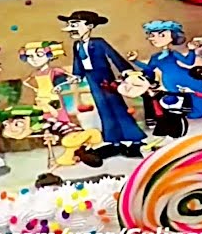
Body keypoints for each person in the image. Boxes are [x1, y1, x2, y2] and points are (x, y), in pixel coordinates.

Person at [58, 10, 146, 158]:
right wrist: (77, 76)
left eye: (75, 25)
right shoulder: (76, 45)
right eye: (70, 25)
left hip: (105, 78)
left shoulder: (98, 42)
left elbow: (114, 56)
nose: (71, 29)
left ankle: (135, 140)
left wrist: (126, 71)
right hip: (91, 79)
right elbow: (78, 63)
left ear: (89, 26)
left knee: (117, 108)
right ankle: (114, 142)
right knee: (104, 110)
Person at [127, 20, 202, 132]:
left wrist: (191, 50)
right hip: (171, 83)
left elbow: (189, 62)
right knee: (193, 104)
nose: (155, 38)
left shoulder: (173, 53)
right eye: (152, 35)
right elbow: (149, 69)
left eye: (162, 35)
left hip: (188, 79)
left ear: (173, 37)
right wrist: (135, 61)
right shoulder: (155, 57)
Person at [0, 106, 104, 171]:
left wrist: (52, 169)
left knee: (65, 140)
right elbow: (92, 133)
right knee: (67, 140)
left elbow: (62, 160)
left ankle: (17, 125)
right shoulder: (89, 140)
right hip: (59, 126)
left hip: (53, 127)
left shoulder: (72, 149)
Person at [113, 70, 192, 149]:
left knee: (177, 134)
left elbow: (183, 96)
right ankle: (160, 145)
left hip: (174, 116)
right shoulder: (147, 96)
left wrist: (185, 108)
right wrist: (150, 120)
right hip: (160, 118)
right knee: (160, 133)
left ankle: (177, 144)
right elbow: (148, 108)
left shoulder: (167, 88)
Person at [19, 41, 79, 122]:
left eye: (39, 54)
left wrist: (60, 86)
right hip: (41, 96)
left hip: (53, 96)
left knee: (58, 115)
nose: (34, 59)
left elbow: (73, 78)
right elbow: (25, 82)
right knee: (45, 116)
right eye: (29, 56)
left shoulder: (54, 70)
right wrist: (35, 89)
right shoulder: (35, 73)